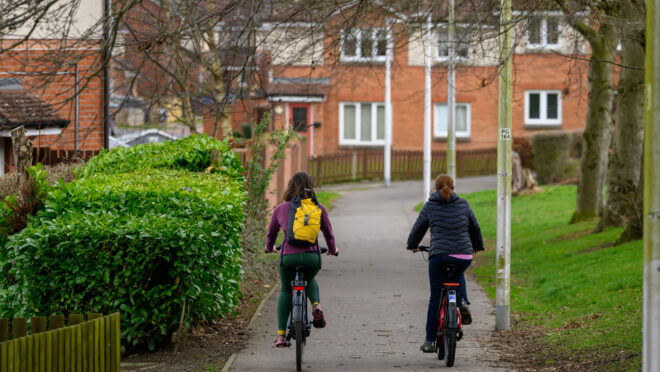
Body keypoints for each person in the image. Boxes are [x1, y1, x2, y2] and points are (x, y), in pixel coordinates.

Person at [406, 174, 484, 353]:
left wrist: (412, 246)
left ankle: (430, 341)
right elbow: (475, 227)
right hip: (463, 255)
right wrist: (477, 246)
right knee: (457, 274)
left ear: (435, 189)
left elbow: (418, 228)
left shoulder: (430, 205)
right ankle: (462, 301)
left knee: (435, 297)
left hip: (439, 256)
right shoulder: (464, 204)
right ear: (454, 188)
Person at [265, 172, 338, 347]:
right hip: (311, 257)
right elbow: (328, 233)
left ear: (291, 187)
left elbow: (271, 233)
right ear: (311, 188)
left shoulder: (281, 209)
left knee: (285, 290)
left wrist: (269, 248)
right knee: (310, 278)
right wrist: (333, 250)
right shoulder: (318, 208)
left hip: (288, 257)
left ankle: (281, 336)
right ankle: (316, 306)